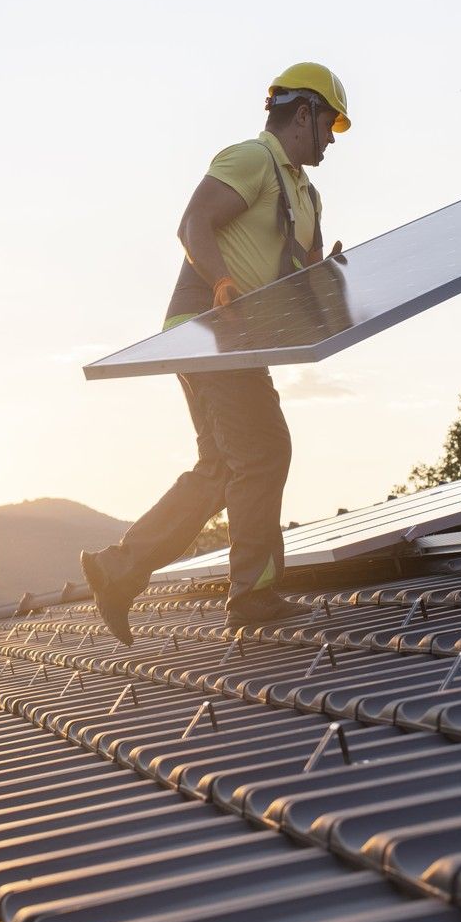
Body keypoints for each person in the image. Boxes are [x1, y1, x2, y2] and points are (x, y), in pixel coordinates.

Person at [81, 64, 352, 641]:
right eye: (329, 123)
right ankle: (253, 595)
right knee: (264, 450)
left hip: (237, 337)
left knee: (224, 465)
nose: (331, 137)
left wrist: (326, 275)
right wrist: (222, 280)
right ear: (302, 114)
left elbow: (294, 278)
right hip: (206, 327)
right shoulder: (251, 159)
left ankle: (118, 568)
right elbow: (193, 222)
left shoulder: (306, 194)